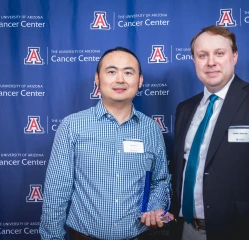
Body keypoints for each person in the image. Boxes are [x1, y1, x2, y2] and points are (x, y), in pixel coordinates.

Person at [170, 26, 249, 240]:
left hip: (242, 232)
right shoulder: (184, 108)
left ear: (234, 56)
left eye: (219, 53)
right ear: (194, 61)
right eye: (202, 55)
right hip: (188, 230)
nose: (211, 62)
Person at [40, 46, 174, 240]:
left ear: (140, 81)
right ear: (97, 79)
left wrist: (154, 209)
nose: (120, 79)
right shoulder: (72, 126)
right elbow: (56, 191)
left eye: (128, 72)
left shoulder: (151, 129)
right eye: (111, 72)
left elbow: (160, 180)